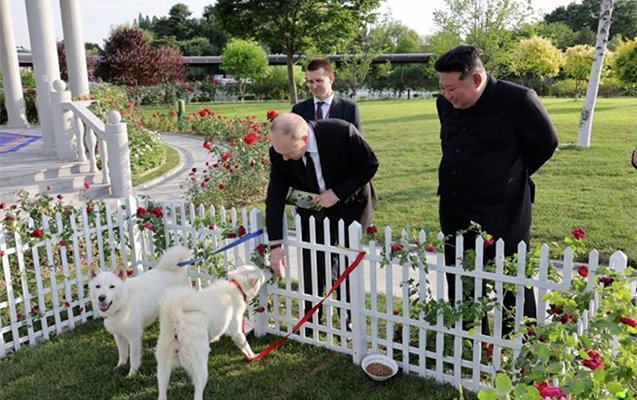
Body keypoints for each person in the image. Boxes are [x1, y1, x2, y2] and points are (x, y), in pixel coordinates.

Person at [434, 45, 559, 337]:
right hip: (454, 205)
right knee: (461, 277)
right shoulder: (445, 104)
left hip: (504, 209)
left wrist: (509, 175)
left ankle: (517, 341)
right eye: (442, 88)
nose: (447, 96)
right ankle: (470, 339)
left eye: (453, 88)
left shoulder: (519, 100)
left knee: (512, 279)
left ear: (477, 79)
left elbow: (546, 143)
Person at [266, 113, 378, 334]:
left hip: (350, 203)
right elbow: (275, 196)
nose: (284, 159)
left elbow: (369, 165)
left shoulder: (342, 132)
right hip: (312, 206)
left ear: (304, 140)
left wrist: (336, 193)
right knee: (312, 259)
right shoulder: (280, 152)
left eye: (289, 153)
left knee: (345, 261)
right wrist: (275, 246)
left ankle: (347, 317)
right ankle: (311, 317)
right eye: (281, 154)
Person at [292, 57, 361, 130]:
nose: (314, 86)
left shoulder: (349, 110)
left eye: (319, 81)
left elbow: (356, 140)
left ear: (331, 79)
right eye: (310, 82)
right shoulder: (298, 110)